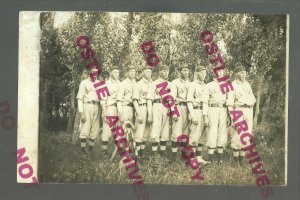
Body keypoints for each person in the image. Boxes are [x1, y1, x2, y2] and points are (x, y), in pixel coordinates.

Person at [227, 66, 256, 166]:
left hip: (248, 110)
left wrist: (251, 103)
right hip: (238, 110)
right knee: (236, 136)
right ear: (236, 74)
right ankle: (236, 163)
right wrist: (233, 118)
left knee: (245, 136)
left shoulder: (247, 85)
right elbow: (230, 104)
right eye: (241, 72)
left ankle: (241, 161)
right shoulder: (232, 85)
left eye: (245, 72)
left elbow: (253, 98)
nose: (244, 74)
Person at [76, 68, 101, 158]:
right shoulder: (84, 83)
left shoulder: (99, 83)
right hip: (87, 106)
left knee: (94, 129)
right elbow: (80, 99)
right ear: (89, 73)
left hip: (97, 107)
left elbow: (103, 98)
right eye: (92, 72)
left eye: (96, 72)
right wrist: (81, 113)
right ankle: (83, 152)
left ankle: (91, 151)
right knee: (85, 128)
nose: (94, 74)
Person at [186, 66, 209, 164]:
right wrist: (193, 115)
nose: (203, 75)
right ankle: (191, 159)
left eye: (204, 73)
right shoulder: (193, 85)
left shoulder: (205, 85)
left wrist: (206, 116)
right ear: (196, 74)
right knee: (194, 136)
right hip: (195, 110)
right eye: (201, 73)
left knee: (203, 136)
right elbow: (189, 101)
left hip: (204, 112)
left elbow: (206, 102)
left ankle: (198, 157)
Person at [147, 65, 171, 158]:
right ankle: (154, 154)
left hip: (166, 106)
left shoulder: (170, 83)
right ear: (160, 72)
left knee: (165, 129)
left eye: (167, 71)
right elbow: (149, 99)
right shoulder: (154, 83)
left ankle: (162, 153)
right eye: (164, 71)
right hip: (156, 105)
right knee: (155, 128)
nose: (166, 73)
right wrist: (149, 114)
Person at [206, 69, 228, 163]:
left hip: (223, 109)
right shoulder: (209, 85)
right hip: (213, 108)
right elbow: (205, 101)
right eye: (219, 71)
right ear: (215, 73)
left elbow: (229, 100)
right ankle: (210, 158)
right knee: (212, 130)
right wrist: (205, 115)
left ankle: (220, 158)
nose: (221, 73)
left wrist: (230, 116)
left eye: (222, 71)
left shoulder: (227, 85)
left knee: (222, 131)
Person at [169, 64, 191, 162]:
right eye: (184, 70)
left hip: (188, 107)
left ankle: (183, 155)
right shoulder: (174, 82)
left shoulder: (191, 83)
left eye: (187, 70)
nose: (186, 72)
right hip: (178, 107)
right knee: (176, 131)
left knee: (186, 132)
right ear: (179, 71)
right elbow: (171, 99)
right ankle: (173, 156)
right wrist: (173, 111)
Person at [132, 66, 153, 160]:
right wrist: (138, 113)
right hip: (142, 107)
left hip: (151, 108)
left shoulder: (152, 83)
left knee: (146, 133)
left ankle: (142, 154)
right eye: (147, 71)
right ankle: (137, 155)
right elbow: (135, 100)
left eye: (150, 72)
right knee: (139, 133)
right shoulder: (139, 84)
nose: (149, 73)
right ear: (143, 73)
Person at [100, 66, 121, 157]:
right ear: (111, 73)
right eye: (114, 72)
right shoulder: (105, 84)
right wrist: (105, 113)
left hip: (119, 108)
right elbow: (102, 100)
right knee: (107, 131)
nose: (116, 74)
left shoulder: (120, 83)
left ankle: (116, 153)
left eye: (117, 72)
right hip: (109, 108)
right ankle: (104, 153)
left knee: (118, 132)